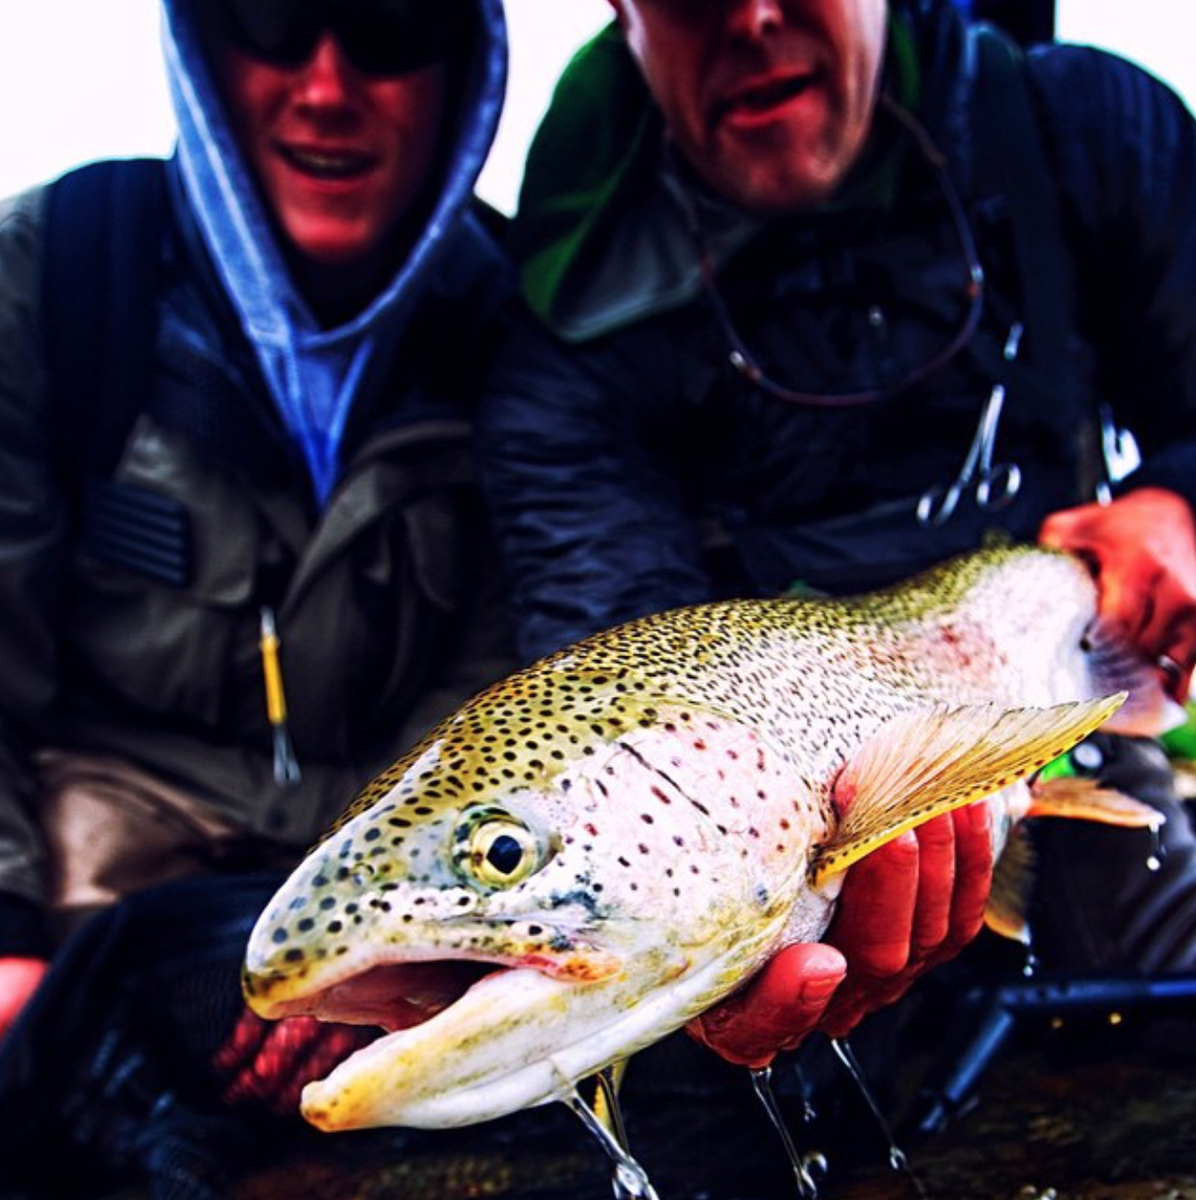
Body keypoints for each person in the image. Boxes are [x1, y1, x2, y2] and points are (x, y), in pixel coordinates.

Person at [478, 0, 1196, 1071]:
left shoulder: (1083, 128)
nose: (753, 15)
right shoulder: (563, 316)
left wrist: (1176, 502)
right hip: (778, 828)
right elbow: (609, 668)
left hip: (1071, 712)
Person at [0, 0, 517, 1118]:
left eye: (388, 29)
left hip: (389, 886)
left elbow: (505, 687)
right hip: (93, 872)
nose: (326, 87)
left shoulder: (520, 324)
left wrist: (391, 961)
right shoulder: (52, 271)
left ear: (464, 70)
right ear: (201, 48)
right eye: (270, 18)